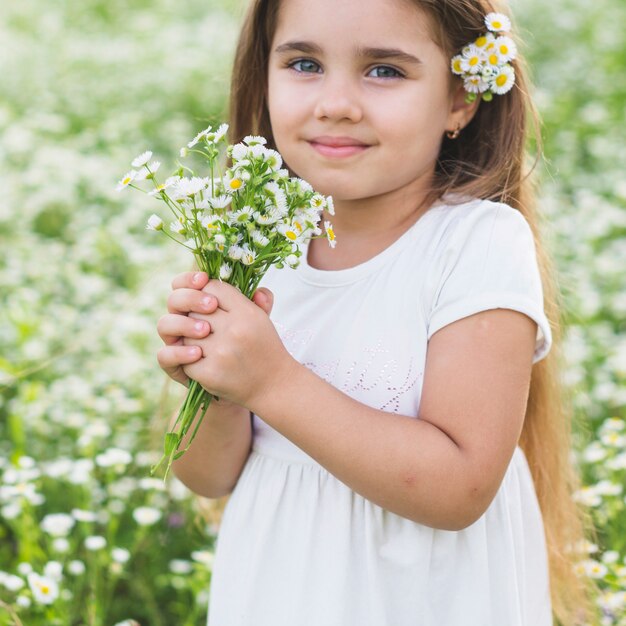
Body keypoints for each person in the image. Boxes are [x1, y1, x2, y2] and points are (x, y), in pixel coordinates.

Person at [155, 0, 599, 624]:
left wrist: (270, 381)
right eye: (305, 63)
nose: (337, 102)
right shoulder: (255, 242)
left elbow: (460, 488)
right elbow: (208, 477)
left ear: (459, 101)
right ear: (264, 78)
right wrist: (218, 387)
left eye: (385, 70)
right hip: (279, 589)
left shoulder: (475, 243)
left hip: (425, 599)